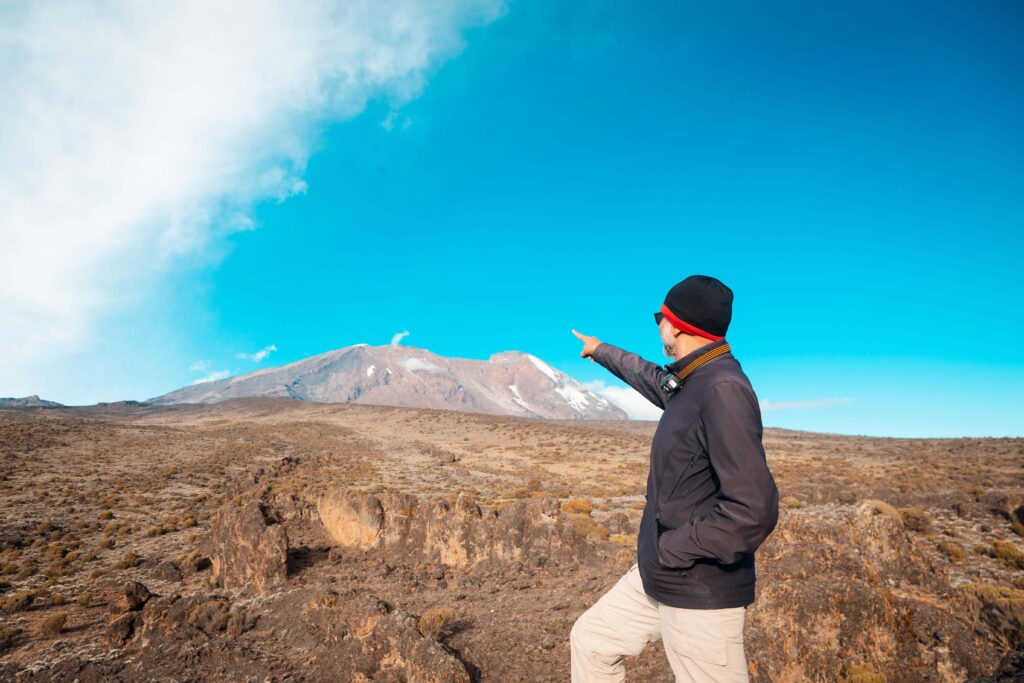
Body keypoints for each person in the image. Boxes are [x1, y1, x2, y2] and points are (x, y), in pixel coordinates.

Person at [569, 274, 779, 683]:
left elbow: (754, 508)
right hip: (659, 576)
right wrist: (600, 351)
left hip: (699, 590)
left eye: (658, 318)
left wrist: (675, 547)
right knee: (592, 641)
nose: (658, 326)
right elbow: (650, 376)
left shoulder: (722, 390)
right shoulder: (691, 382)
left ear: (677, 325)